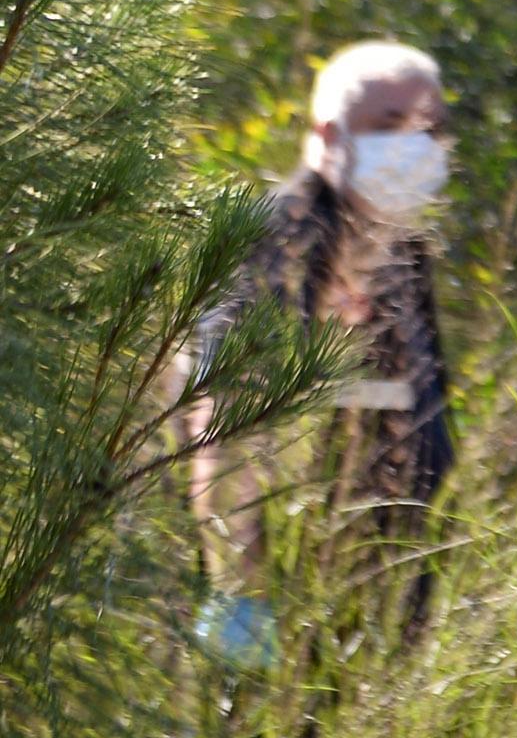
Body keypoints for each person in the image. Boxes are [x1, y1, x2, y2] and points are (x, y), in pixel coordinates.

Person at [192, 40, 460, 658]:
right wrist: (244, 607)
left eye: (432, 129)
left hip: (384, 608)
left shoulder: (404, 251)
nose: (416, 145)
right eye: (389, 126)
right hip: (291, 622)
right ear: (327, 135)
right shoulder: (274, 246)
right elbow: (225, 426)